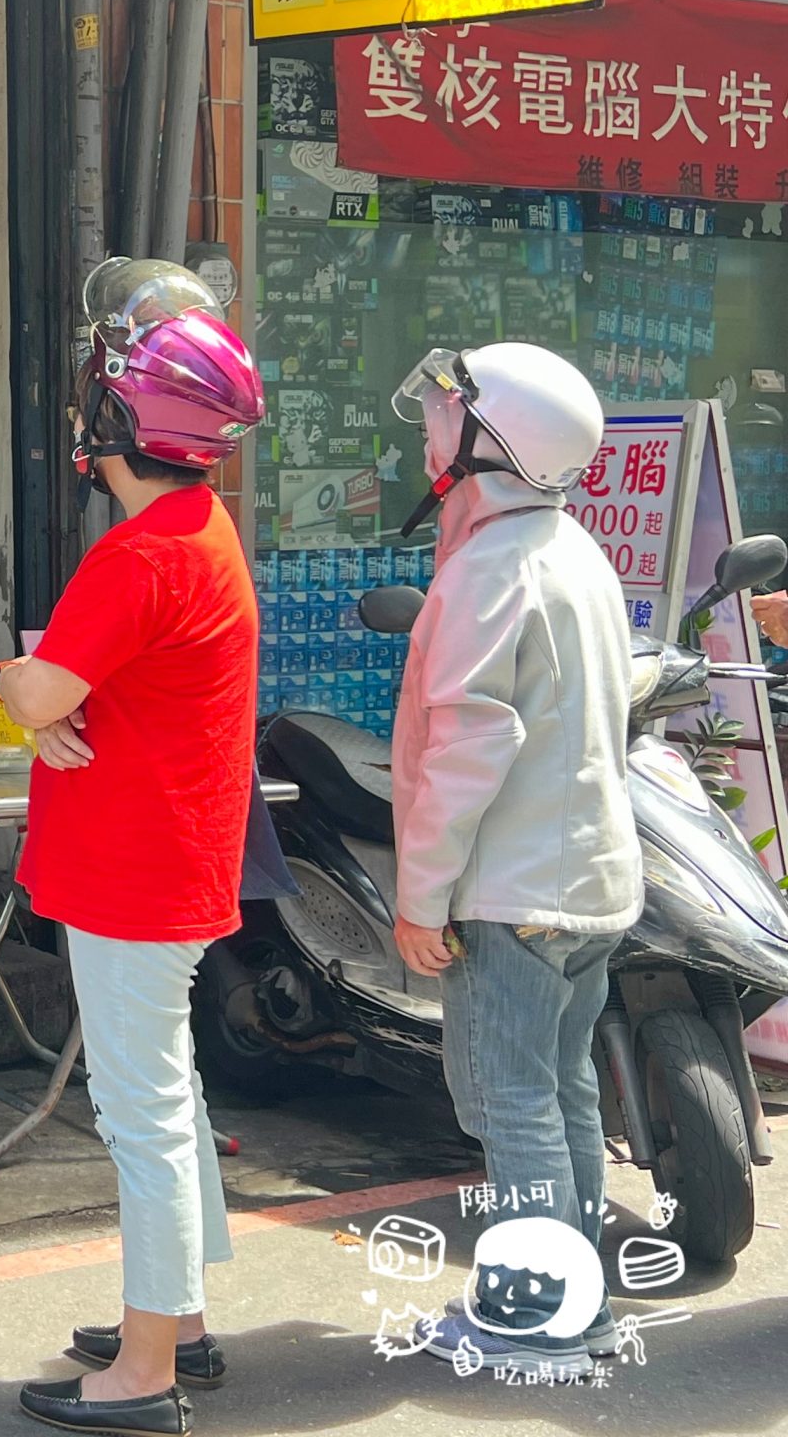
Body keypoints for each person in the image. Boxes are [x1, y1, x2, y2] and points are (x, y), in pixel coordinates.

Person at [0, 260, 266, 1437]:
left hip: (131, 872)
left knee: (140, 1108)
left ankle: (144, 1365)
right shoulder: (197, 531)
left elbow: (38, 684)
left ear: (113, 418)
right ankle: (179, 1321)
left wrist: (18, 680)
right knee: (169, 1094)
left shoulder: (141, 552)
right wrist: (49, 693)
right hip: (172, 858)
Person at [384, 342, 636, 1381]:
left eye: (449, 411)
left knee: (513, 1102)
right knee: (561, 1088)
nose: (433, 427)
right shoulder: (573, 552)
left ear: (496, 444)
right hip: (588, 887)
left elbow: (465, 750)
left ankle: (534, 1319)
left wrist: (417, 898)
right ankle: (578, 1302)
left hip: (512, 891)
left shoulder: (487, 568)